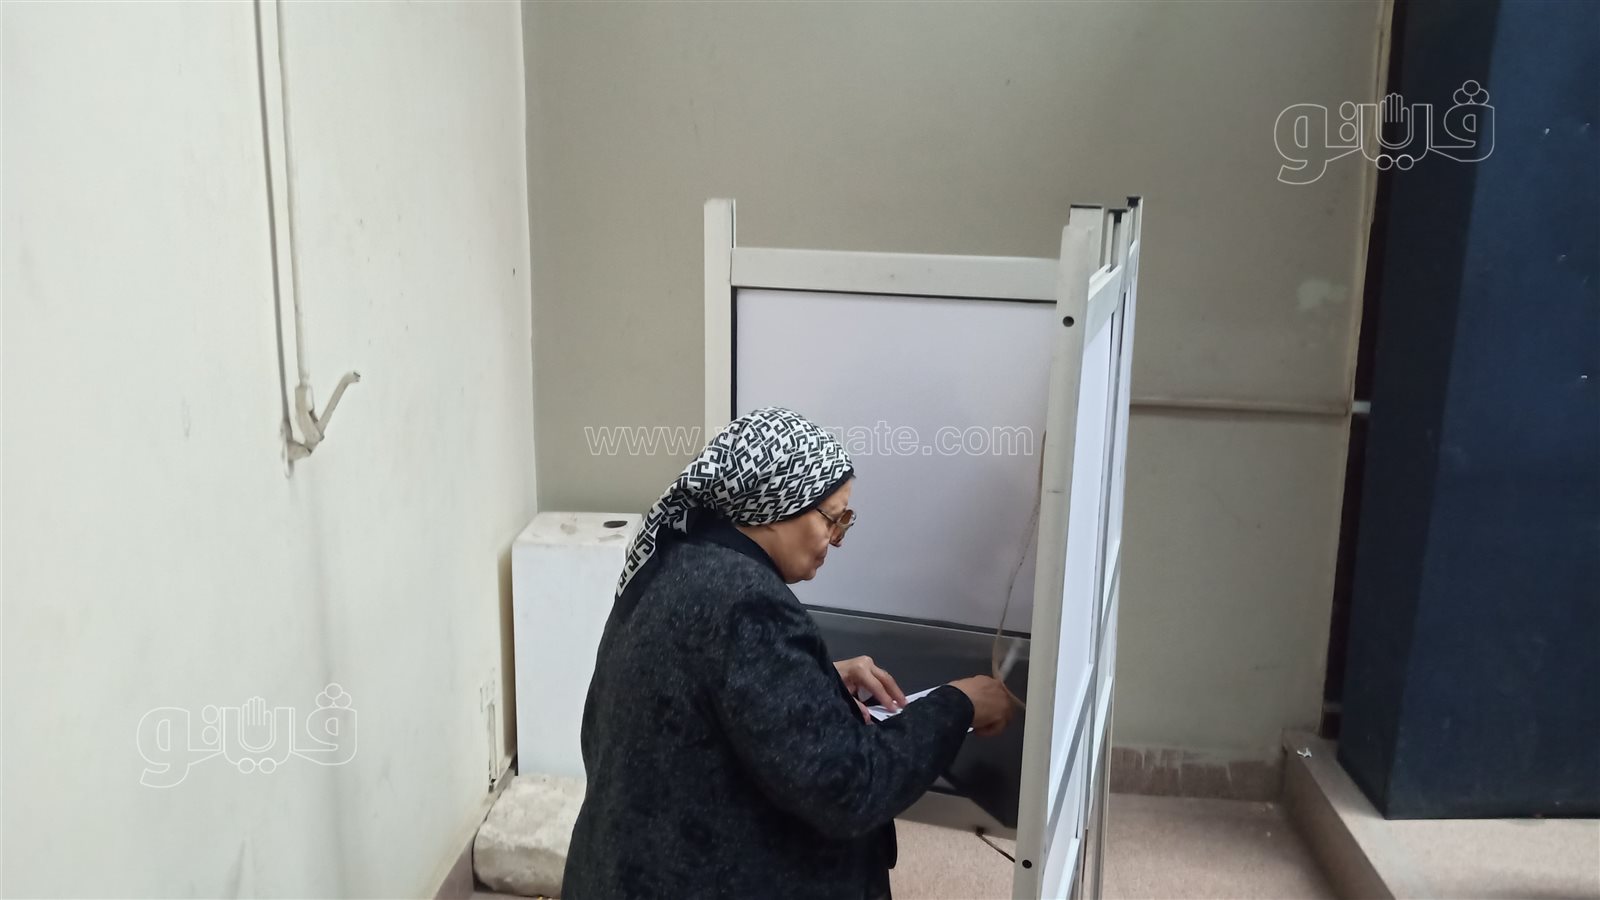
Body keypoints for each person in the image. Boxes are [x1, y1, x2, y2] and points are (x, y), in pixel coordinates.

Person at [562, 406, 1015, 900]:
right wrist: (959, 704)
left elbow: (696, 690)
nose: (837, 540)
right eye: (832, 519)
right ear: (779, 503)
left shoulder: (675, 561)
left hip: (625, 867)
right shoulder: (746, 602)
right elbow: (848, 790)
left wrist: (815, 678)